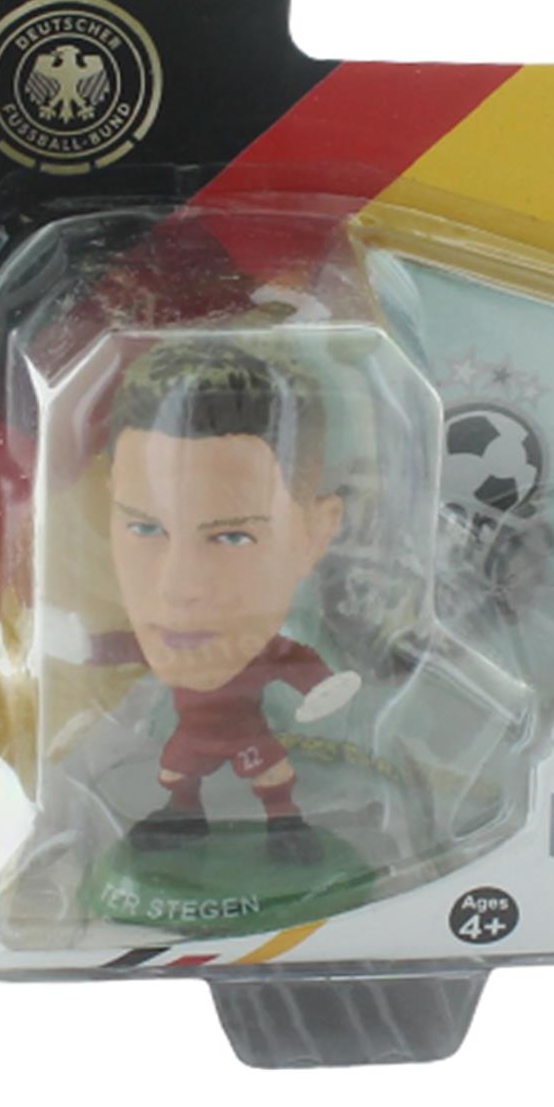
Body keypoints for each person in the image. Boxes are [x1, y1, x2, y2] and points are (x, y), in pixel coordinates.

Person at [48, 339, 360, 865]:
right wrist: (71, 643)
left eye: (232, 537)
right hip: (188, 740)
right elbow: (114, 650)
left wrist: (326, 691)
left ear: (315, 533)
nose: (178, 587)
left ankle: (286, 826)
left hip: (251, 736)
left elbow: (302, 666)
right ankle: (183, 816)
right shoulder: (159, 643)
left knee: (271, 778)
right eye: (145, 528)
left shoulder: (267, 650)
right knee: (178, 774)